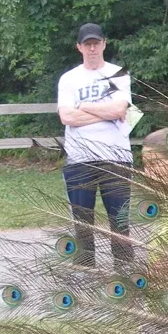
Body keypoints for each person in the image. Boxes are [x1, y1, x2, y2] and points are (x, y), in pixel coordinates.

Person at [56, 22, 134, 268]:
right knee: (82, 216)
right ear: (79, 47)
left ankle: (123, 265)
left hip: (116, 156)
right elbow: (67, 117)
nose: (92, 48)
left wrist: (84, 107)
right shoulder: (69, 79)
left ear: (104, 44)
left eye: (96, 43)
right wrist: (107, 112)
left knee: (119, 217)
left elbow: (121, 109)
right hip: (80, 158)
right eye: (87, 44)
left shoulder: (118, 74)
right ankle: (86, 265)